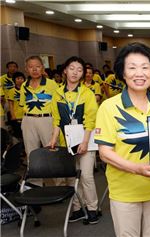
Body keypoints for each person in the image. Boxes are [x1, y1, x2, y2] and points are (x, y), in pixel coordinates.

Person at [94, 42, 150, 236]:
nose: (140, 73)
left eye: (145, 67)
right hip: (125, 192)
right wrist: (137, 168)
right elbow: (105, 153)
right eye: (132, 68)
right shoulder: (109, 107)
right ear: (123, 73)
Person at [47, 56, 100, 224]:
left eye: (79, 70)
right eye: (72, 68)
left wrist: (84, 142)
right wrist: (54, 138)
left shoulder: (87, 93)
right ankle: (78, 208)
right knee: (72, 177)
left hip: (86, 139)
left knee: (86, 176)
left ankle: (92, 209)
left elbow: (91, 120)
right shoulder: (57, 93)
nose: (75, 72)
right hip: (67, 140)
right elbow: (56, 119)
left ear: (83, 74)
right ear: (65, 70)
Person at [19, 56, 59, 185]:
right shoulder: (24, 85)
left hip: (46, 119)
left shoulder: (52, 84)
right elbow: (22, 104)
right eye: (31, 67)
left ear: (42, 68)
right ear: (26, 69)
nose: (34, 69)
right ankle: (35, 185)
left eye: (37, 66)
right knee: (31, 153)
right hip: (28, 120)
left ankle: (60, 183)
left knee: (52, 151)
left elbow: (59, 105)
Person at [6, 71, 25, 139]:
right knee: (18, 135)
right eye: (18, 78)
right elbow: (11, 105)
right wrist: (13, 115)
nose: (20, 80)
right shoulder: (11, 91)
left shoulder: (27, 89)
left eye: (22, 78)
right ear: (14, 80)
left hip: (26, 115)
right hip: (17, 116)